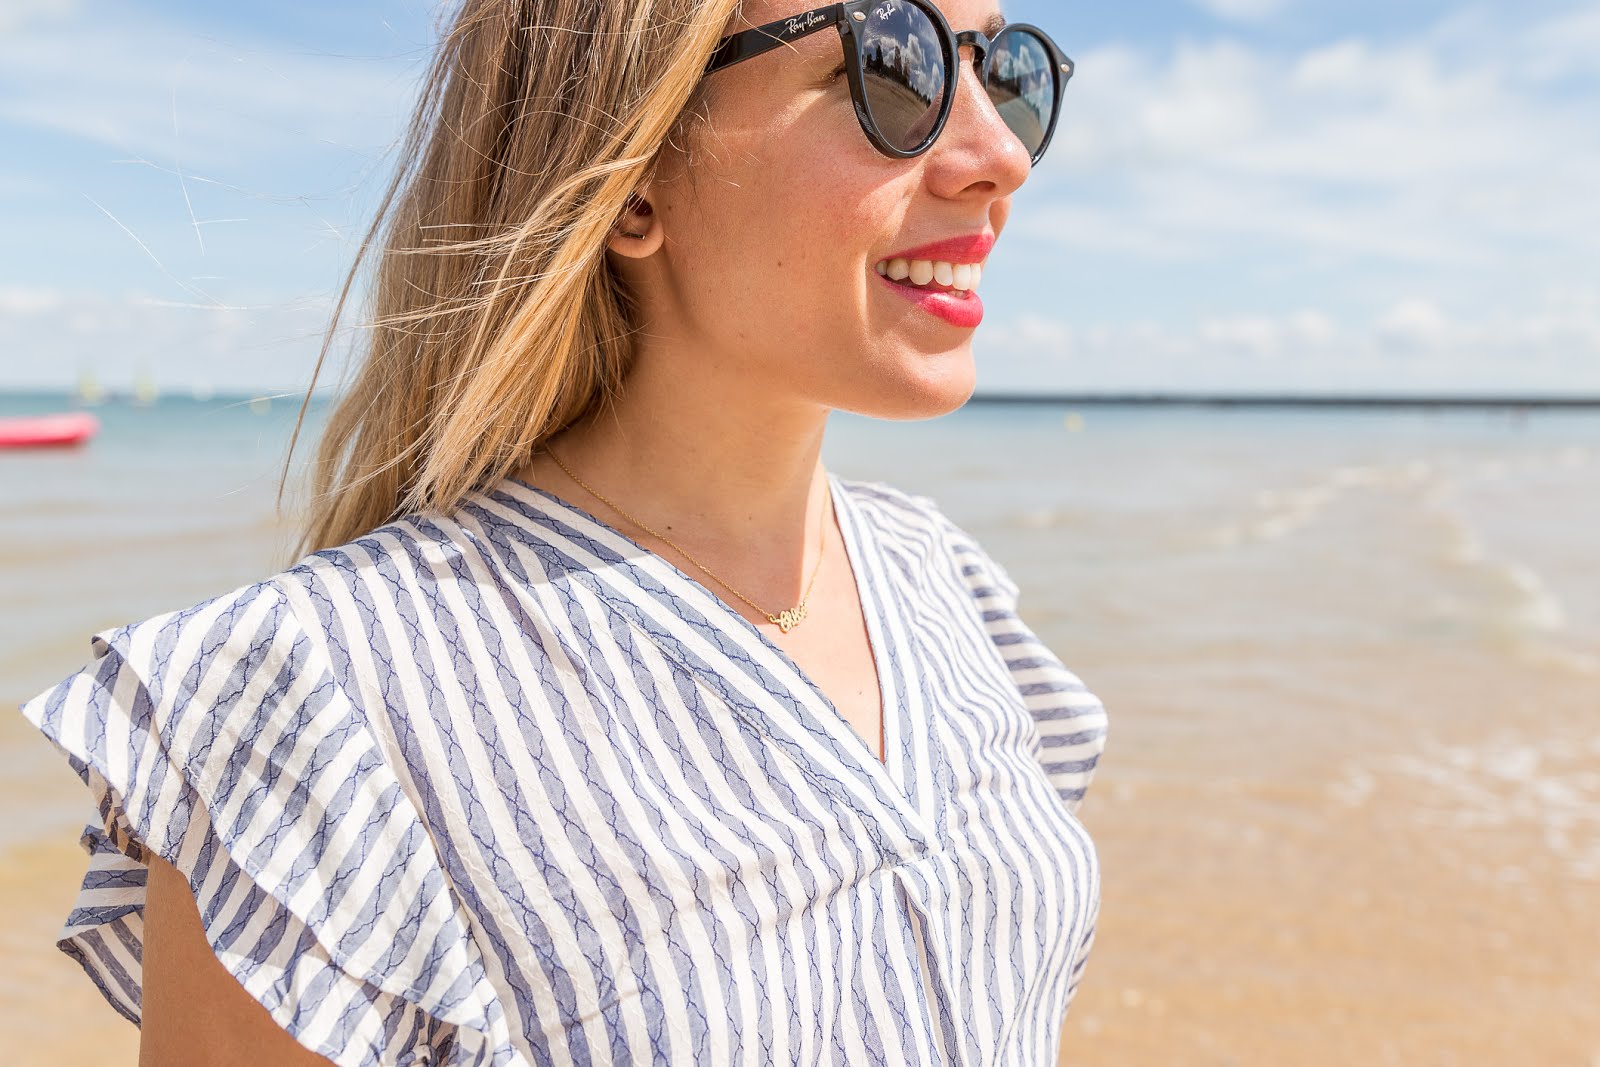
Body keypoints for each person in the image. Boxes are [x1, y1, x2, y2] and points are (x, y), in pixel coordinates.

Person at [18, 0, 1108, 1063]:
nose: (996, 153)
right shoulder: (312, 705)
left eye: (1003, 70)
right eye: (897, 65)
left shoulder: (944, 584)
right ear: (634, 176)